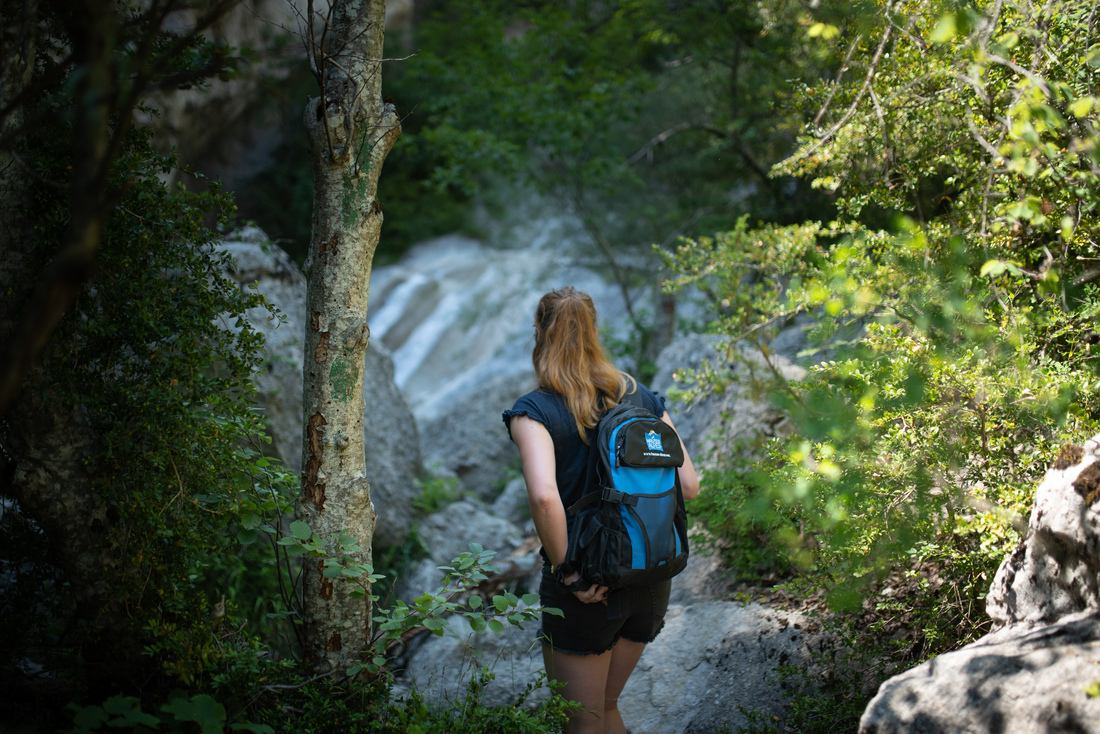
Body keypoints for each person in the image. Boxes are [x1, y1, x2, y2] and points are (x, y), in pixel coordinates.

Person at [502, 287, 700, 734]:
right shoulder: (642, 398)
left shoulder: (534, 412)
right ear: (594, 331)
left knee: (581, 724)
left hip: (588, 584)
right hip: (650, 575)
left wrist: (568, 572)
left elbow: (544, 498)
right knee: (607, 708)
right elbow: (690, 484)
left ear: (539, 332)